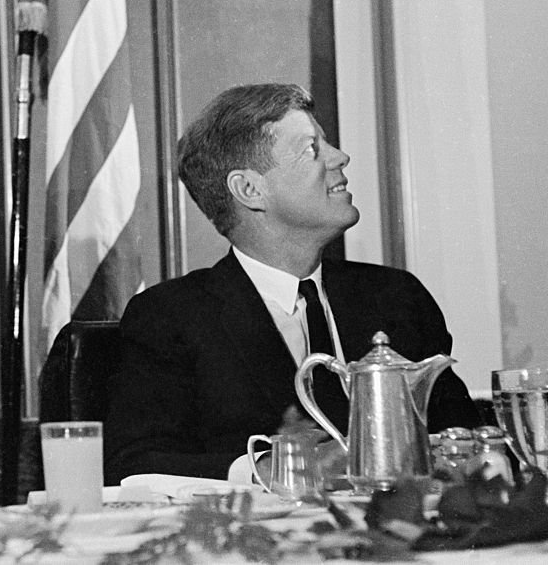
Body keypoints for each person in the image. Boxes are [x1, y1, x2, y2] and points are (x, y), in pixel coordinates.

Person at [103, 83, 480, 484]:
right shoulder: (171, 317)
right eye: (312, 149)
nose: (341, 157)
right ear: (249, 189)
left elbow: (460, 437)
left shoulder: (397, 297)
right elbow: (135, 461)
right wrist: (271, 469)